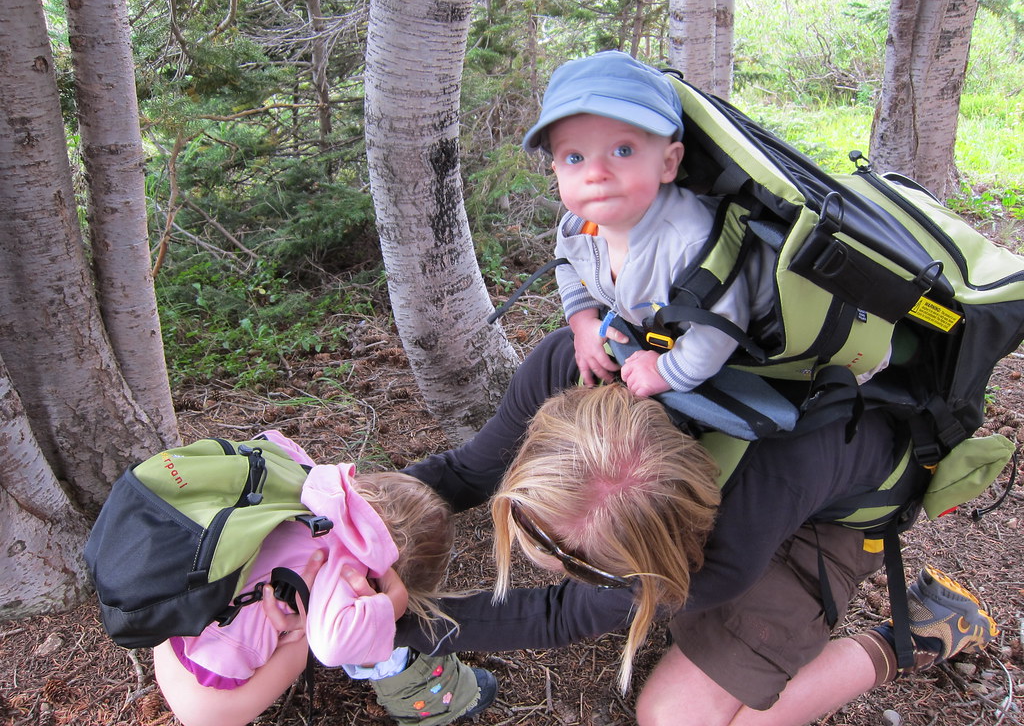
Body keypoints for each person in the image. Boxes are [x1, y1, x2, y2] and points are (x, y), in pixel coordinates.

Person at [396, 326, 998, 725]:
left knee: (675, 717)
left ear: (665, 551)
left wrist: (396, 628)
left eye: (596, 568)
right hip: (785, 464)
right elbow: (465, 471)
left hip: (836, 513)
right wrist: (358, 524)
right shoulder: (579, 361)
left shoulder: (732, 543)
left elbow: (566, 613)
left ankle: (922, 634)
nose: (567, 572)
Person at [153, 431, 496, 726]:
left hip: (163, 614)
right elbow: (334, 647)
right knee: (339, 624)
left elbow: (270, 439)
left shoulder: (307, 484)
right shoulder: (345, 568)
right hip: (207, 707)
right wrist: (388, 608)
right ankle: (431, 699)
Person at [522, 49, 774, 397]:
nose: (596, 173)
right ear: (556, 170)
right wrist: (582, 322)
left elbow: (724, 324)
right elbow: (568, 264)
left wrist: (667, 371)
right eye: (575, 157)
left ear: (668, 163)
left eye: (622, 150)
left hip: (755, 329)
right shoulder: (579, 228)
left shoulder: (688, 240)